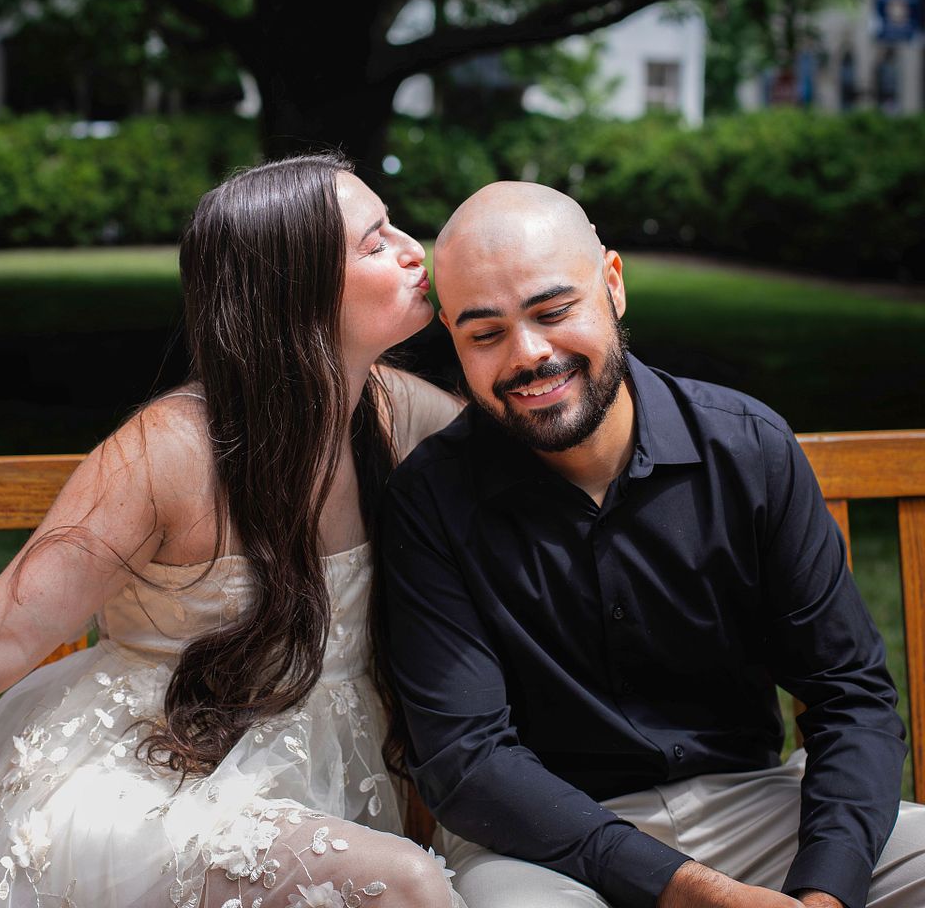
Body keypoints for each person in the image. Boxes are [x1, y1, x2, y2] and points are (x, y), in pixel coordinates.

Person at [0, 154, 466, 908]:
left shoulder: (392, 412)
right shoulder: (170, 454)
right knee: (406, 885)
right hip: (148, 790)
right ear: (297, 293)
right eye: (376, 243)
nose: (418, 250)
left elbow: (544, 462)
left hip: (304, 784)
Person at [378, 181, 925, 908]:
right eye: (486, 333)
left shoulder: (748, 448)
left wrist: (826, 892)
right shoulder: (428, 501)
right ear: (452, 334)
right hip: (544, 841)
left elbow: (850, 694)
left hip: (758, 806)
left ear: (612, 284)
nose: (529, 354)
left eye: (553, 310)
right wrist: (685, 891)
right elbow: (468, 762)